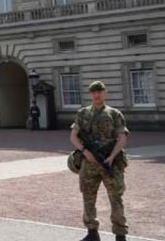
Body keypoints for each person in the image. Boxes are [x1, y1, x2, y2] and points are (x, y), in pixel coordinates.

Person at [69, 81, 129, 241]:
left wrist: (112, 156)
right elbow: (73, 136)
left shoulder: (114, 114)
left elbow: (122, 138)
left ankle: (120, 234)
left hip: (109, 162)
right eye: (94, 92)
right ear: (90, 94)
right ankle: (92, 233)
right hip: (89, 163)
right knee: (88, 197)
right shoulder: (82, 114)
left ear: (105, 93)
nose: (97, 95)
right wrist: (84, 151)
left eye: (100, 91)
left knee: (116, 197)